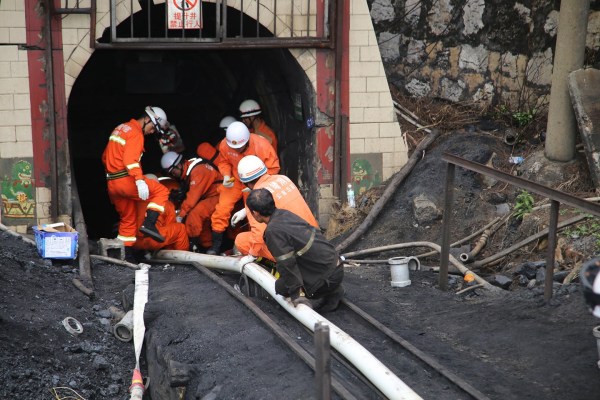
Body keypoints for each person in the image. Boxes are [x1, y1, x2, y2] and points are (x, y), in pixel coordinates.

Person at [246, 188, 345, 312]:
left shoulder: (273, 231)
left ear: (255, 213)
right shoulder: (284, 213)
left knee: (281, 287)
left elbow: (286, 263)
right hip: (337, 266)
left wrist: (296, 294)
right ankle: (333, 290)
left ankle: (327, 291)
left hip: (327, 278)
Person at [102, 106, 170, 255]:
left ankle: (125, 256)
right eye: (153, 127)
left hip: (112, 184)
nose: (152, 132)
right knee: (161, 191)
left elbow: (105, 157)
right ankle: (149, 224)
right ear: (147, 119)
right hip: (125, 180)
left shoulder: (120, 128)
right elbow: (130, 160)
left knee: (128, 219)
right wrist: (139, 180)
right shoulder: (135, 133)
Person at [208, 121, 280, 255]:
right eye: (234, 148)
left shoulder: (261, 145)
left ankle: (256, 247)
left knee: (255, 213)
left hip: (255, 181)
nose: (237, 150)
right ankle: (215, 247)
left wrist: (259, 185)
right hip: (235, 179)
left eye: (240, 147)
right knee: (222, 209)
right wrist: (225, 175)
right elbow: (223, 162)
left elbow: (273, 168)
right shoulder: (225, 144)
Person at [232, 155, 319, 261]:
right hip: (315, 238)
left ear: (246, 183)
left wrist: (252, 255)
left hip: (297, 251)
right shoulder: (283, 179)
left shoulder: (253, 201)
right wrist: (245, 211)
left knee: (241, 240)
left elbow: (258, 235)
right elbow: (280, 200)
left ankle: (266, 264)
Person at [161, 150, 222, 251]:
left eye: (173, 171)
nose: (173, 175)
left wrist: (180, 215)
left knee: (195, 215)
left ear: (179, 166)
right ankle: (207, 246)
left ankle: (194, 244)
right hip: (210, 196)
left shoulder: (198, 171)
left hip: (219, 195)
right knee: (199, 216)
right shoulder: (190, 171)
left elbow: (192, 197)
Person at [132, 174, 189, 254]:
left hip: (132, 241)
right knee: (180, 229)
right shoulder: (165, 203)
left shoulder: (131, 201)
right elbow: (170, 225)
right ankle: (178, 257)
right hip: (151, 240)